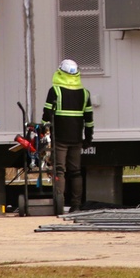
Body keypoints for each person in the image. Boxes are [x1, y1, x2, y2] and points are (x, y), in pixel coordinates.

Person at [42, 59, 94, 213]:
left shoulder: (55, 91)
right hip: (76, 139)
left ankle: (59, 205)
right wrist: (88, 139)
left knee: (59, 170)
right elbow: (89, 120)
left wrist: (43, 135)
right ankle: (76, 205)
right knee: (76, 171)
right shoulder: (85, 93)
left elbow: (46, 116)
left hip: (59, 138)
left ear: (60, 72)